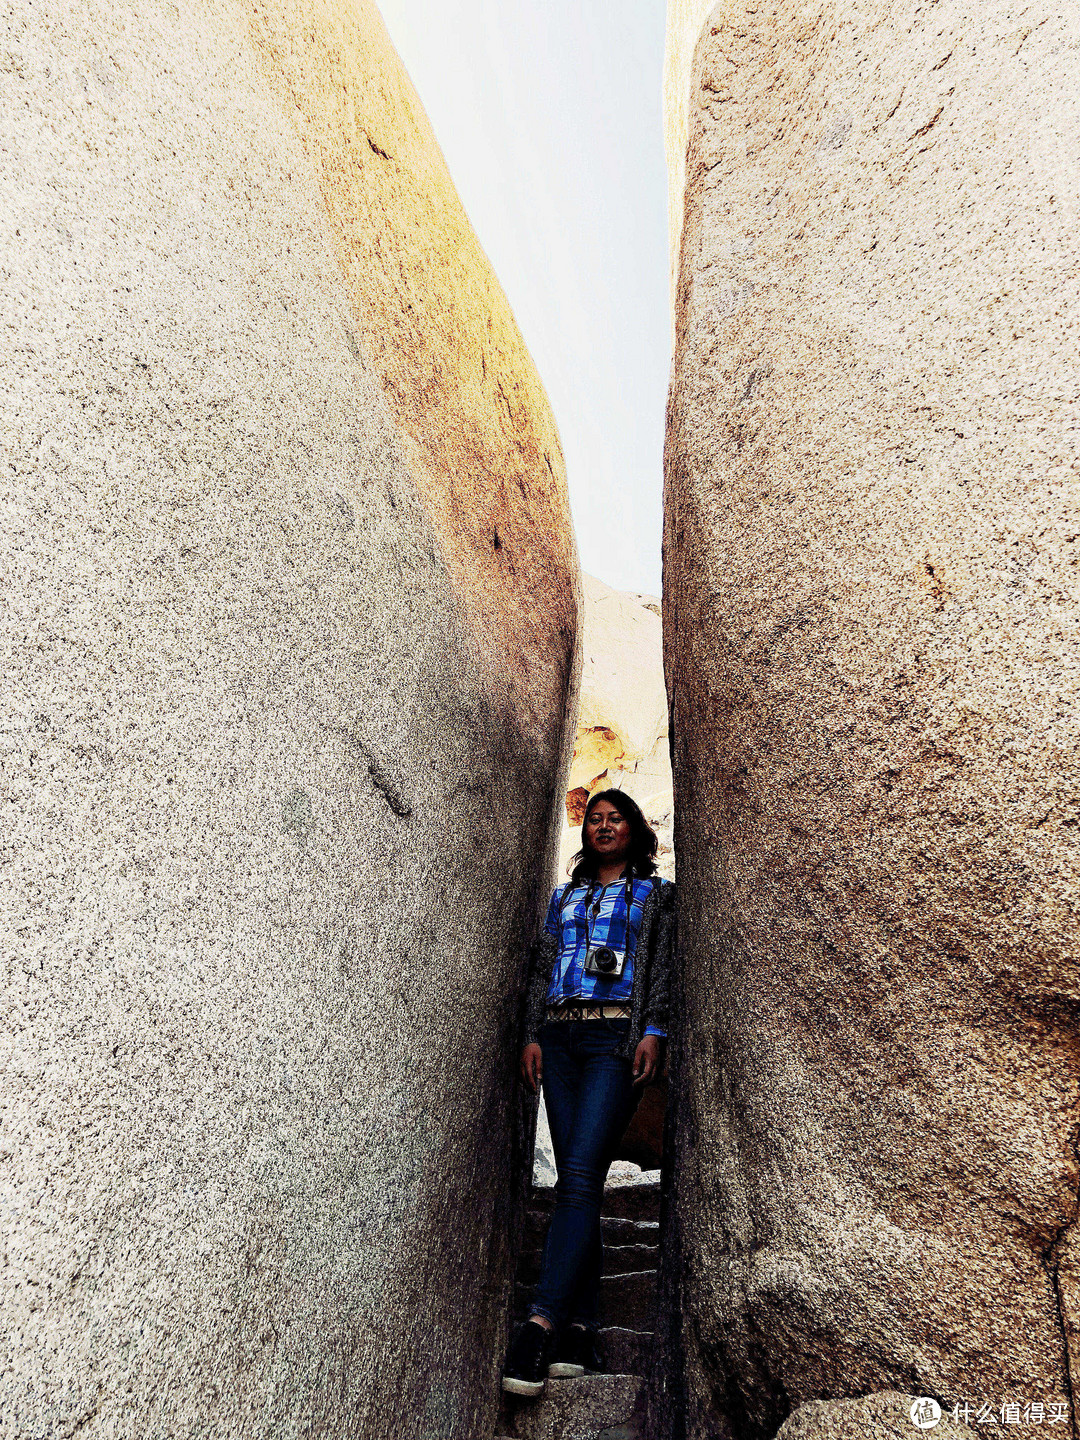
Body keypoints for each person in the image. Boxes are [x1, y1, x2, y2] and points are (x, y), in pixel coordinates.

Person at [502, 788, 675, 1397]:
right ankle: (580, 1329)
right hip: (562, 1037)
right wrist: (531, 1036)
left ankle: (539, 1324)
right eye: (595, 820)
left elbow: (660, 967)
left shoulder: (655, 896)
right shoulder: (564, 897)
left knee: (576, 1178)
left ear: (635, 829)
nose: (604, 827)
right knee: (582, 1184)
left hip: (613, 1039)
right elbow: (541, 967)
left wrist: (653, 1030)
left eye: (616, 818)